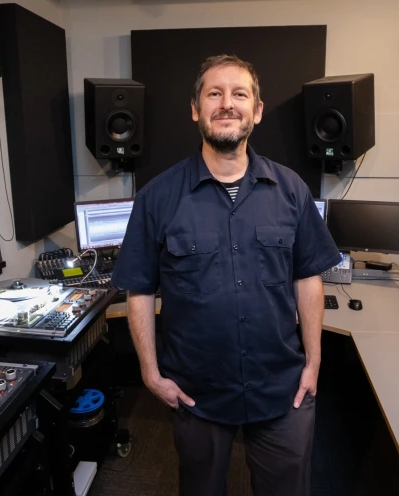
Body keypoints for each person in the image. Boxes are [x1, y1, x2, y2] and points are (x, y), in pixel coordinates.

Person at [111, 54, 341, 496]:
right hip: (197, 392)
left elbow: (308, 277)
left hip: (282, 389)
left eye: (239, 94)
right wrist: (149, 373)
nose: (226, 104)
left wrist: (313, 363)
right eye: (214, 94)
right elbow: (139, 289)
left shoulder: (291, 189)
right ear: (196, 109)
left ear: (256, 110)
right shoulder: (157, 197)